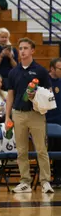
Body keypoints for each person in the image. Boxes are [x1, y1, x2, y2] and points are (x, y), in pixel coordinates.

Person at [6, 38, 54, 194]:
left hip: (36, 114)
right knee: (21, 150)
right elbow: (10, 95)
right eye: (20, 48)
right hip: (18, 114)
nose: (22, 51)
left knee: (41, 149)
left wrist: (36, 97)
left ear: (32, 50)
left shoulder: (40, 71)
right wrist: (7, 116)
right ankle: (25, 181)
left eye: (26, 48)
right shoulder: (13, 72)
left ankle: (45, 181)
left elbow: (49, 93)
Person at [47, 58, 61, 187]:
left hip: (60, 121)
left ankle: (58, 176)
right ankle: (51, 177)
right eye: (59, 68)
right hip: (48, 122)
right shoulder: (44, 81)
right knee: (52, 149)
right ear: (52, 69)